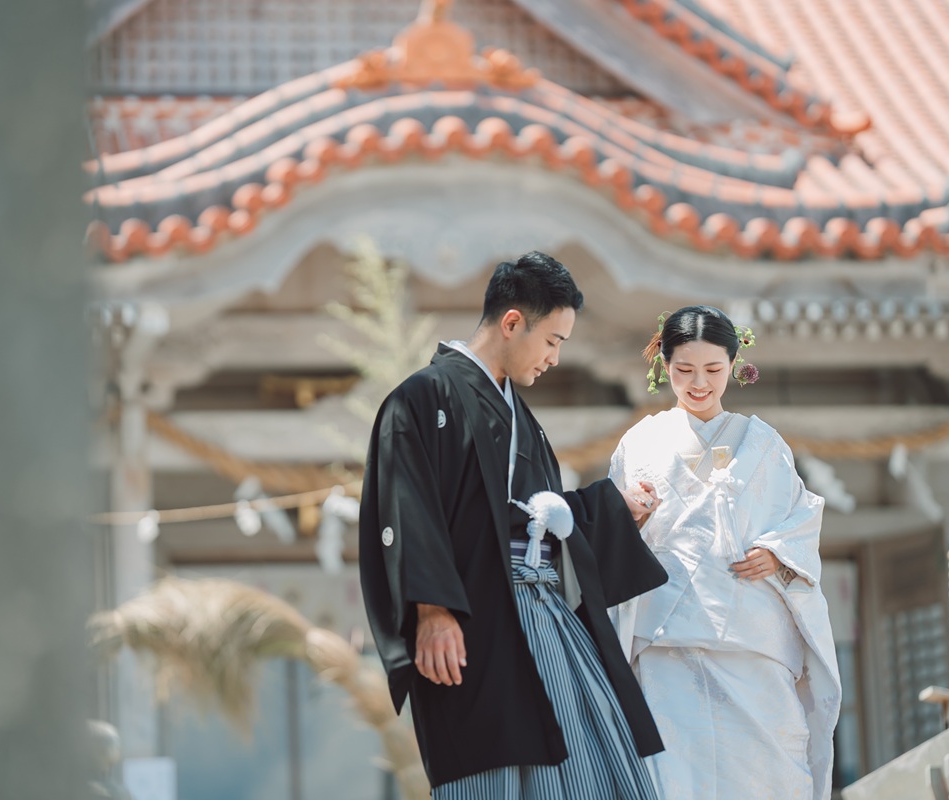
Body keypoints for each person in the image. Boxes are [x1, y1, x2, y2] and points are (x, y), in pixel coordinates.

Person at [359, 251, 668, 798]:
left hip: (545, 614)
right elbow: (406, 507)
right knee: (491, 772)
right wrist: (432, 610)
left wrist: (615, 509)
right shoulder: (422, 398)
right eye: (552, 341)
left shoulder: (523, 420)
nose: (553, 359)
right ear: (511, 322)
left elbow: (538, 524)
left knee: (596, 763)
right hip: (472, 621)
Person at [608, 305, 841, 800]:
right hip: (666, 638)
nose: (699, 383)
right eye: (684, 370)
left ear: (734, 365)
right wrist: (628, 518)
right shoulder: (639, 442)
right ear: (663, 365)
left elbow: (801, 517)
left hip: (751, 639)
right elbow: (609, 533)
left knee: (767, 775)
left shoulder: (763, 444)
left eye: (713, 370)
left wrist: (778, 554)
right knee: (672, 776)